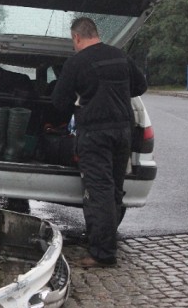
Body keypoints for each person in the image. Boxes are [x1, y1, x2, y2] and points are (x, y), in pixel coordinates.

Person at [51, 17, 147, 268]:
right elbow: (141, 85)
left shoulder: (76, 63)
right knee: (114, 189)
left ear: (77, 37)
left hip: (95, 135)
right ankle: (103, 241)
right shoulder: (120, 56)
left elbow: (59, 102)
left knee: (99, 191)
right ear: (95, 33)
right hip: (123, 132)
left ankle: (103, 254)